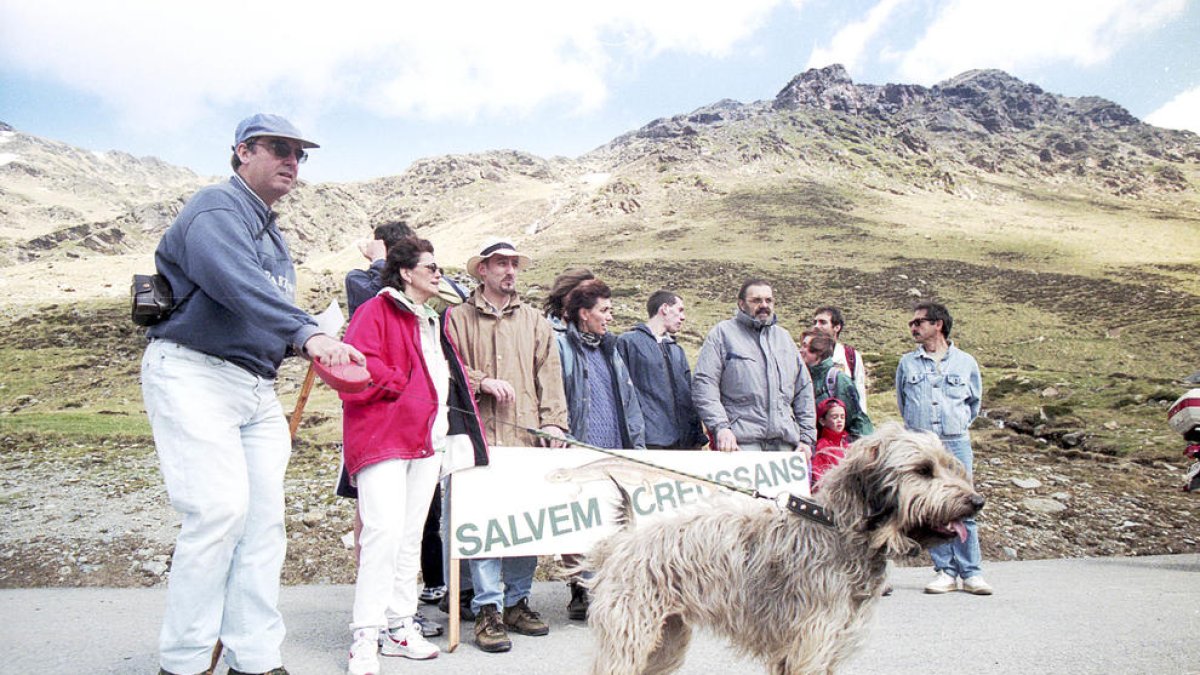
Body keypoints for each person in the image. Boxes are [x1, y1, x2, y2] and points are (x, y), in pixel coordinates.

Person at [141, 113, 363, 675]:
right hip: (195, 372)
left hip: (254, 387)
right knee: (217, 513)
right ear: (243, 151)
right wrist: (307, 332)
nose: (292, 160)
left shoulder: (272, 230)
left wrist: (306, 340)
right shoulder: (216, 207)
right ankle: (184, 662)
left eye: (299, 153)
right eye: (279, 149)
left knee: (263, 523)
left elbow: (258, 309)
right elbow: (235, 284)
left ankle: (255, 658)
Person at [339, 237, 488, 675]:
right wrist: (404, 389)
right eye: (431, 267)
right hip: (384, 438)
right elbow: (357, 364)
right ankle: (365, 635)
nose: (438, 274)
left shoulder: (431, 319)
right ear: (405, 271)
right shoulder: (376, 310)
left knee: (407, 537)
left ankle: (399, 625)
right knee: (381, 533)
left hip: (426, 441)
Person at [445, 237, 569, 653]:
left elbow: (549, 374)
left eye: (514, 264)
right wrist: (482, 381)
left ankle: (517, 601)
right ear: (482, 270)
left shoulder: (536, 321)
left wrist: (553, 422)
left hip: (524, 436)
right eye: (500, 264)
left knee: (523, 526)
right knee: (483, 526)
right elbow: (450, 367)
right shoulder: (457, 318)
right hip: (478, 437)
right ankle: (487, 610)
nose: (510, 271)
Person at [556, 279, 647, 621]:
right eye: (604, 310)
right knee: (578, 521)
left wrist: (635, 445)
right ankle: (580, 586)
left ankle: (608, 587)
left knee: (613, 518)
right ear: (583, 313)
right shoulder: (561, 345)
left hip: (615, 445)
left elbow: (627, 399)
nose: (610, 317)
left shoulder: (612, 349)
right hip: (579, 444)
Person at [895, 301, 991, 595]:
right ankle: (944, 571)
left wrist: (955, 424)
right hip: (923, 446)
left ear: (938, 325)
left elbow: (973, 403)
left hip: (955, 443)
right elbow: (902, 401)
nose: (913, 327)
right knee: (931, 509)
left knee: (965, 505)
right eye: (912, 323)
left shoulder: (966, 363)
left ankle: (971, 572)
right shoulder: (907, 363)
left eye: (919, 322)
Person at [616, 290, 705, 449]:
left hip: (683, 443)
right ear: (664, 308)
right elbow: (621, 393)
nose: (683, 317)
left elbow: (688, 396)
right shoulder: (628, 342)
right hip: (648, 442)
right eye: (680, 310)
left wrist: (697, 436)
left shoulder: (677, 350)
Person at [801, 332, 873, 440]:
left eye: (806, 346)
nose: (801, 350)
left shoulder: (839, 380)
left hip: (840, 446)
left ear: (818, 351)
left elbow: (852, 419)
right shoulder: (802, 377)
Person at [812, 306, 869, 411]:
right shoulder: (807, 356)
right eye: (815, 322)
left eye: (822, 322)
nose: (816, 326)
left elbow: (859, 393)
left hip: (843, 422)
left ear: (837, 327)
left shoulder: (851, 356)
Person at [811, 397, 850, 488]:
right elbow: (818, 477)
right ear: (822, 421)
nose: (839, 420)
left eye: (842, 417)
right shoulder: (822, 446)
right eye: (834, 417)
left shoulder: (848, 443)